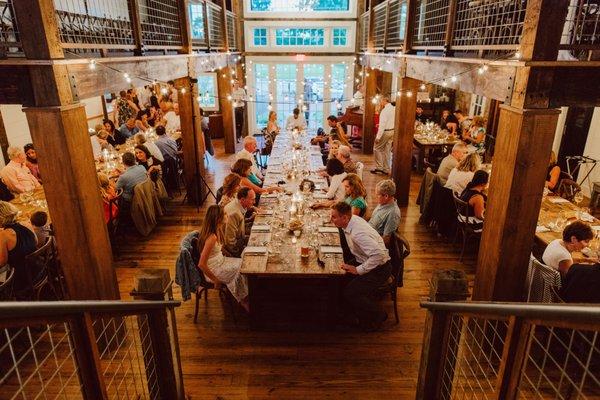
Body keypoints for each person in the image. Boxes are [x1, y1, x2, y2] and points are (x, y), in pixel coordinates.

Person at [330, 202, 391, 331]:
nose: (331, 219)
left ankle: (378, 314)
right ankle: (346, 313)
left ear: (345, 218)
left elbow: (378, 255)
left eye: (334, 217)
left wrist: (358, 270)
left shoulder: (358, 234)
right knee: (337, 276)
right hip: (363, 259)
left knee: (351, 292)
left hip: (379, 268)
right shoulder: (352, 219)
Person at [196, 204, 249, 311]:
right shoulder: (211, 237)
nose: (227, 215)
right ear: (218, 219)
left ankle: (246, 295)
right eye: (224, 214)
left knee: (245, 264)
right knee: (242, 270)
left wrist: (230, 255)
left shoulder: (218, 230)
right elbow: (201, 264)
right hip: (213, 270)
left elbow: (218, 249)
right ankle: (244, 301)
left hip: (221, 261)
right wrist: (215, 280)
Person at [0, 201, 37, 292]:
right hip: (38, 267)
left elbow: (2, 263)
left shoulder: (4, 235)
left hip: (21, 278)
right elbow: (36, 242)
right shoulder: (26, 224)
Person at [223, 187, 255, 258]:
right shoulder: (234, 213)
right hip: (233, 249)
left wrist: (249, 219)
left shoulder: (238, 204)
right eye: (252, 199)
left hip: (240, 238)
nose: (254, 202)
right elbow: (230, 242)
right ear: (243, 199)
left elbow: (238, 224)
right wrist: (241, 255)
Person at [368, 180, 401, 246]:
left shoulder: (393, 213)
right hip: (368, 233)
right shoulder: (383, 203)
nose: (375, 197)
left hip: (373, 242)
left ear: (386, 196)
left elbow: (386, 240)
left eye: (377, 195)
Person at [371, 96, 395, 175]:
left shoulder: (384, 111)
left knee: (376, 148)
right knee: (387, 150)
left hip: (385, 132)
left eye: (380, 101)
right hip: (392, 131)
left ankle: (379, 168)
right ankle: (386, 169)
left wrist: (378, 137)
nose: (380, 103)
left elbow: (382, 125)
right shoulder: (394, 108)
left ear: (384, 100)